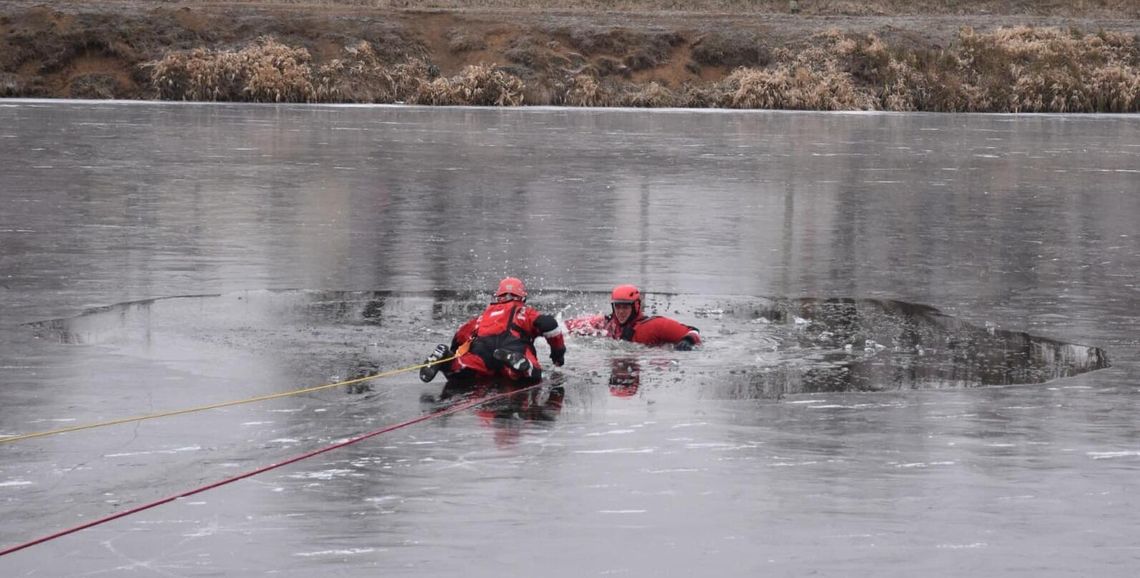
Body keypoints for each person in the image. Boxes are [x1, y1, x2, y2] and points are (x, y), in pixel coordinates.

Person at [419, 277, 567, 387]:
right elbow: (549, 324)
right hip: (513, 344)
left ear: (498, 296)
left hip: (482, 348)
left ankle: (447, 361)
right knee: (532, 376)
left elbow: (460, 335)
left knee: (462, 373)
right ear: (522, 296)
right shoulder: (523, 311)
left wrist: (453, 351)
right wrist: (558, 355)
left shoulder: (485, 315)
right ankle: (518, 363)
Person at [565, 284, 701, 349]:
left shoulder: (655, 325)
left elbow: (693, 331)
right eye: (617, 306)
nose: (620, 311)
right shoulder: (605, 323)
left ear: (636, 306)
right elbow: (564, 327)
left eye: (625, 307)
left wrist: (688, 341)